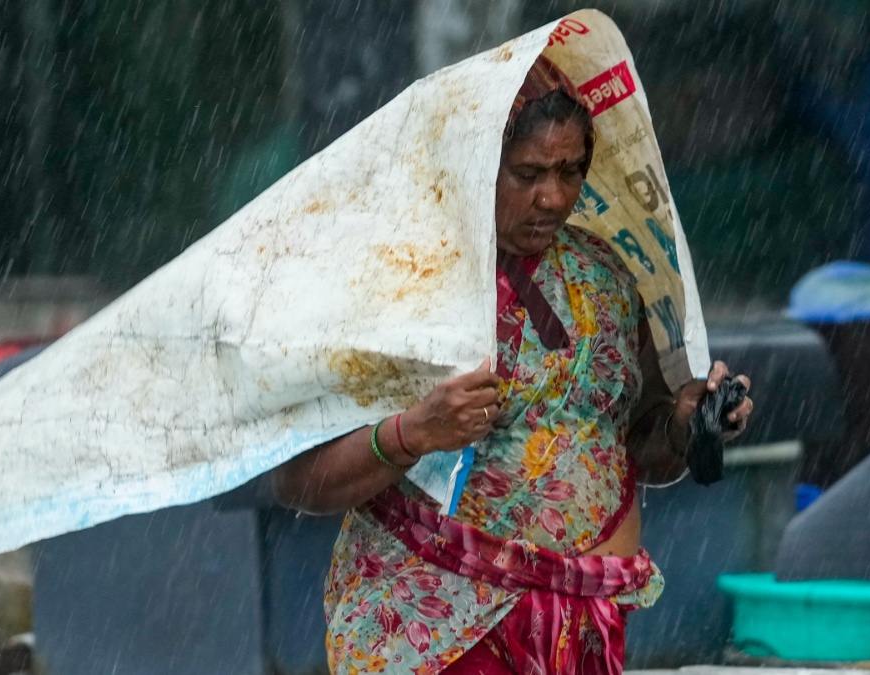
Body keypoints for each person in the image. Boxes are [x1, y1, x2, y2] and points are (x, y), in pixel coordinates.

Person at [271, 56, 754, 675]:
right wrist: (412, 432)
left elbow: (640, 448)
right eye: (526, 173)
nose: (551, 197)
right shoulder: (402, 288)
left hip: (582, 629)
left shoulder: (606, 277)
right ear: (473, 166)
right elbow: (298, 483)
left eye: (570, 171)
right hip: (437, 629)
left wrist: (687, 426)